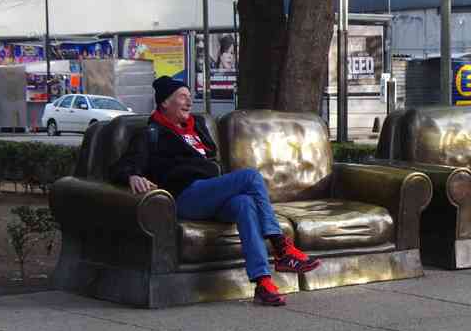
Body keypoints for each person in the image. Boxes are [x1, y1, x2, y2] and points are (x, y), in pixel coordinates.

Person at [110, 76, 320, 306]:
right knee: (250, 176)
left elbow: (212, 162)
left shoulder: (197, 128)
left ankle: (263, 282)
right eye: (182, 96)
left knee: (244, 204)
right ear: (165, 102)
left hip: (212, 193)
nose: (189, 101)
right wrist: (132, 175)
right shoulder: (151, 133)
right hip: (186, 195)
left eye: (190, 97)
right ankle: (281, 247)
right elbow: (121, 166)